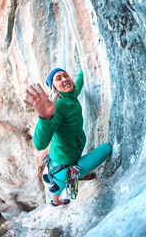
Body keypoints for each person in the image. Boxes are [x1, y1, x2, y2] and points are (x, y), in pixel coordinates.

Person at [24, 68, 111, 207]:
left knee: (60, 179)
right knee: (106, 149)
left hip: (67, 154)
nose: (64, 79)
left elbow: (78, 83)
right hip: (64, 165)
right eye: (58, 79)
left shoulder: (70, 94)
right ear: (54, 88)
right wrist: (44, 118)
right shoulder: (58, 105)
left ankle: (78, 177)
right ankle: (56, 202)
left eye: (66, 76)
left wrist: (85, 65)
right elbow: (40, 144)